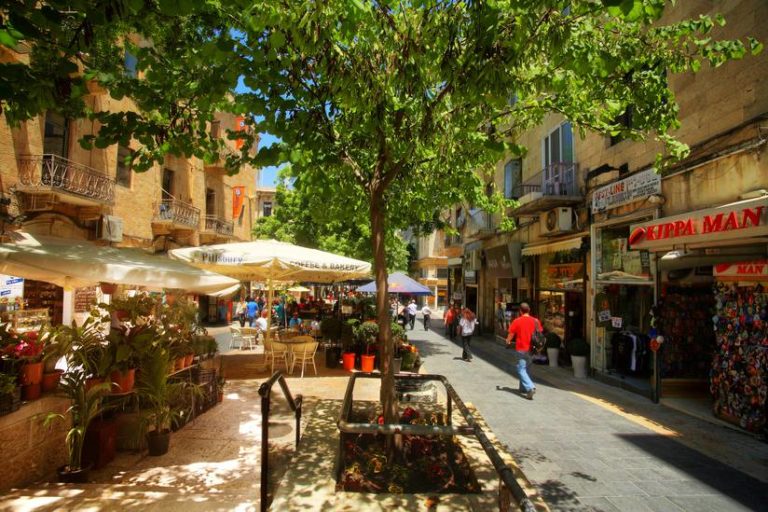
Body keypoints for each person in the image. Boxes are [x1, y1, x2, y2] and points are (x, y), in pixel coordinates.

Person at [505, 303, 541, 400]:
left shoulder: (517, 321)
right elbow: (540, 334)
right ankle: (523, 388)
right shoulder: (536, 321)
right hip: (532, 348)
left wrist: (507, 341)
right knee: (527, 368)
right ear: (529, 310)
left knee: (521, 369)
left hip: (521, 348)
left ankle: (530, 388)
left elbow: (511, 334)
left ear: (520, 311)